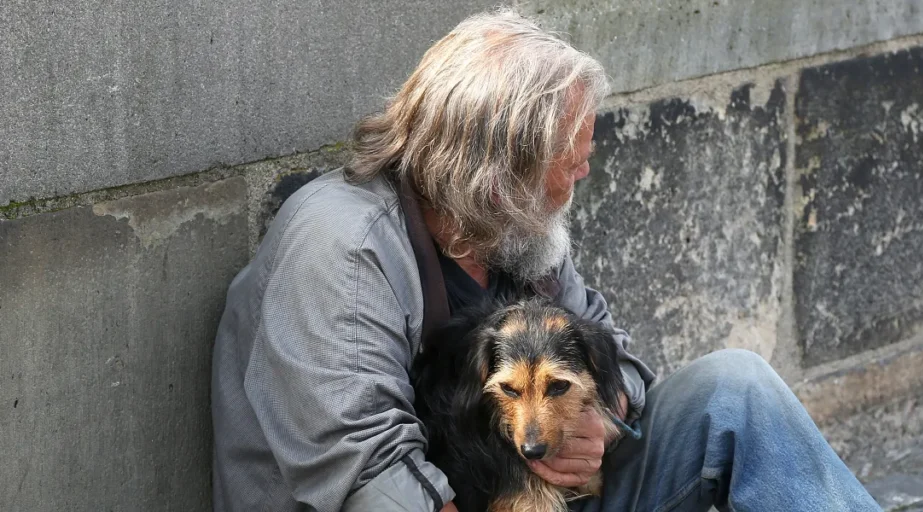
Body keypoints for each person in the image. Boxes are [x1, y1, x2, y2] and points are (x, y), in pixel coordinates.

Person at [210, 8, 882, 512]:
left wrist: (598, 424)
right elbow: (368, 480)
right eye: (570, 163)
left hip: (543, 492)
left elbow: (614, 356)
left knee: (736, 389)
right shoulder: (343, 248)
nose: (579, 179)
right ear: (500, 173)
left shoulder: (515, 229)